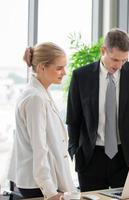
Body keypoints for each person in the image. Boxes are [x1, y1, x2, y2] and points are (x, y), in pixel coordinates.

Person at [66, 28, 129, 192]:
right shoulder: (81, 76)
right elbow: (73, 118)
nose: (118, 65)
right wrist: (74, 150)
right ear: (103, 50)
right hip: (91, 159)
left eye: (124, 60)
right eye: (115, 59)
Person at [8, 42, 75, 199]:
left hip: (40, 181)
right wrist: (50, 192)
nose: (64, 73)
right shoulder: (35, 98)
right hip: (39, 184)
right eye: (59, 68)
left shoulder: (39, 93)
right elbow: (40, 148)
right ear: (41, 68)